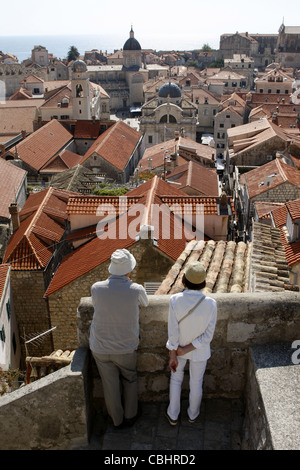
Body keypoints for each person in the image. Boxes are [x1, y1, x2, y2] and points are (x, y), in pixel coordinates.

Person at [89, 248, 149, 429]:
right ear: (129, 270)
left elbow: (96, 304)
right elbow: (145, 303)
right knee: (129, 379)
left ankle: (117, 420)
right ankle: (131, 415)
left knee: (109, 384)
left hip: (99, 347)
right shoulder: (136, 290)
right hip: (125, 347)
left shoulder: (96, 288)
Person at [165, 261, 217, 426]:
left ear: (184, 280)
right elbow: (208, 335)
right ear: (203, 282)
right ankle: (192, 415)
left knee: (176, 380)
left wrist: (175, 353)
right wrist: (188, 349)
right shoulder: (211, 304)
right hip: (199, 351)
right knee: (196, 382)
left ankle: (173, 415)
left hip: (178, 349)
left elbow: (172, 331)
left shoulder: (175, 300)